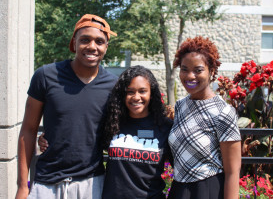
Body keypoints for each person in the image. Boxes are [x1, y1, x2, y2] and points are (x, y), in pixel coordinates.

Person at [16, 14, 118, 199]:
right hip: (47, 183)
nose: (92, 47)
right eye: (85, 40)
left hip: (92, 184)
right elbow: (28, 130)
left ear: (106, 47)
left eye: (99, 41)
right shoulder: (46, 76)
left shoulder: (113, 85)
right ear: (74, 42)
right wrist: (23, 186)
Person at [39, 65, 173, 199]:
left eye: (142, 91)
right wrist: (48, 138)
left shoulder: (165, 127)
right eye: (130, 91)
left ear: (151, 93)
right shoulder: (113, 122)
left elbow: (180, 168)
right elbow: (82, 132)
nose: (136, 97)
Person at [167, 36, 241, 199]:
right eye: (184, 69)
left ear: (212, 71)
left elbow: (232, 172)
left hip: (208, 191)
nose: (190, 76)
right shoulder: (180, 106)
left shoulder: (224, 112)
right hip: (178, 189)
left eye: (198, 70)